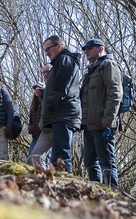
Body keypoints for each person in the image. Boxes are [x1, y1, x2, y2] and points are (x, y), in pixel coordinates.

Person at [81, 38, 122, 188]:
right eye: (85, 49)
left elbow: (115, 93)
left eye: (90, 48)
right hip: (89, 125)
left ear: (101, 49)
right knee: (90, 163)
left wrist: (109, 119)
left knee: (107, 162)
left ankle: (113, 196)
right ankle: (96, 195)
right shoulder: (91, 69)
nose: (86, 51)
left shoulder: (108, 65)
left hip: (104, 124)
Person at [41, 35, 81, 173]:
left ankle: (69, 189)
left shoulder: (65, 60)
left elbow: (61, 88)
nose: (47, 53)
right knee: (56, 157)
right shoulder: (59, 62)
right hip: (59, 114)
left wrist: (50, 105)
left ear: (59, 46)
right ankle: (61, 188)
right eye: (45, 50)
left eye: (48, 49)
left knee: (61, 157)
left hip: (63, 114)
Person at [29, 64, 52, 168]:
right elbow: (31, 121)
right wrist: (31, 129)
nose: (37, 90)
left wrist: (43, 95)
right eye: (35, 88)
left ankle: (54, 180)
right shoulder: (33, 106)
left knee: (53, 158)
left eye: (40, 88)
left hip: (53, 129)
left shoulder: (50, 92)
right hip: (38, 134)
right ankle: (41, 178)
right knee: (33, 156)